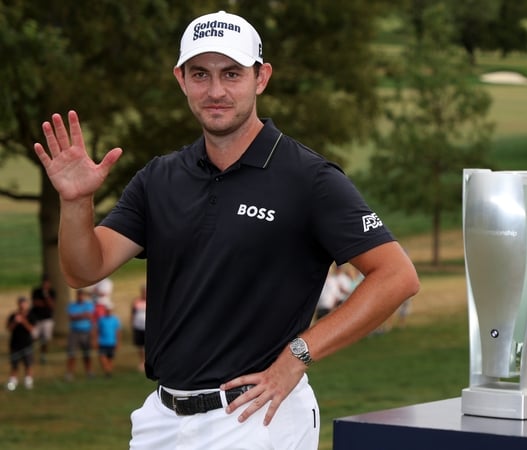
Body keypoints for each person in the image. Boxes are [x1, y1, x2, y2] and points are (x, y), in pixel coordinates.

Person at [33, 10, 419, 450]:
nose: (215, 90)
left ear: (261, 77)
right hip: (162, 420)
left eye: (231, 74)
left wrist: (298, 356)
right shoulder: (159, 177)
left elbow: (396, 276)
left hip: (257, 418)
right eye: (201, 74)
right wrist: (75, 201)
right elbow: (84, 269)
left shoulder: (308, 178)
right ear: (181, 79)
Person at [7, 296, 37, 390]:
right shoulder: (13, 315)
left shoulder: (31, 316)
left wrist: (23, 321)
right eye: (20, 303)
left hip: (27, 344)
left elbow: (31, 329)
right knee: (14, 365)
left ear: (26, 304)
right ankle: (12, 384)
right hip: (15, 344)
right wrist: (15, 322)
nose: (22, 305)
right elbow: (9, 329)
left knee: (28, 364)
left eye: (23, 303)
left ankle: (28, 382)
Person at [65, 289, 95, 380]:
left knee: (87, 353)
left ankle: (89, 371)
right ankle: (70, 373)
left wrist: (78, 316)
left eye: (82, 295)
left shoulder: (89, 305)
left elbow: (90, 316)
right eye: (79, 295)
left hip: (86, 332)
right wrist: (83, 315)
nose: (80, 297)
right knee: (72, 353)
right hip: (74, 332)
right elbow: (71, 317)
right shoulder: (72, 306)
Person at [30, 273, 56, 364]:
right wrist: (45, 303)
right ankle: (30, 354)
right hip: (36, 318)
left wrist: (46, 295)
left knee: (45, 339)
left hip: (47, 319)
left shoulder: (51, 292)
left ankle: (43, 355)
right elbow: (35, 303)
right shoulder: (36, 291)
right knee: (33, 337)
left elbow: (52, 305)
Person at [95, 304, 122, 377]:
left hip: (112, 342)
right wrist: (96, 341)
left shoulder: (115, 320)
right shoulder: (101, 320)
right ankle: (107, 371)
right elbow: (97, 331)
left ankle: (108, 373)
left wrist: (118, 342)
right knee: (102, 359)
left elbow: (118, 332)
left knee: (110, 359)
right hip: (102, 342)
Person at [130, 283, 147, 372]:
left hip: (147, 328)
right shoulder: (136, 302)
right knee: (140, 345)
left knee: (148, 345)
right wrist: (132, 324)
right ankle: (142, 361)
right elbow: (133, 314)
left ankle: (148, 361)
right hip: (138, 326)